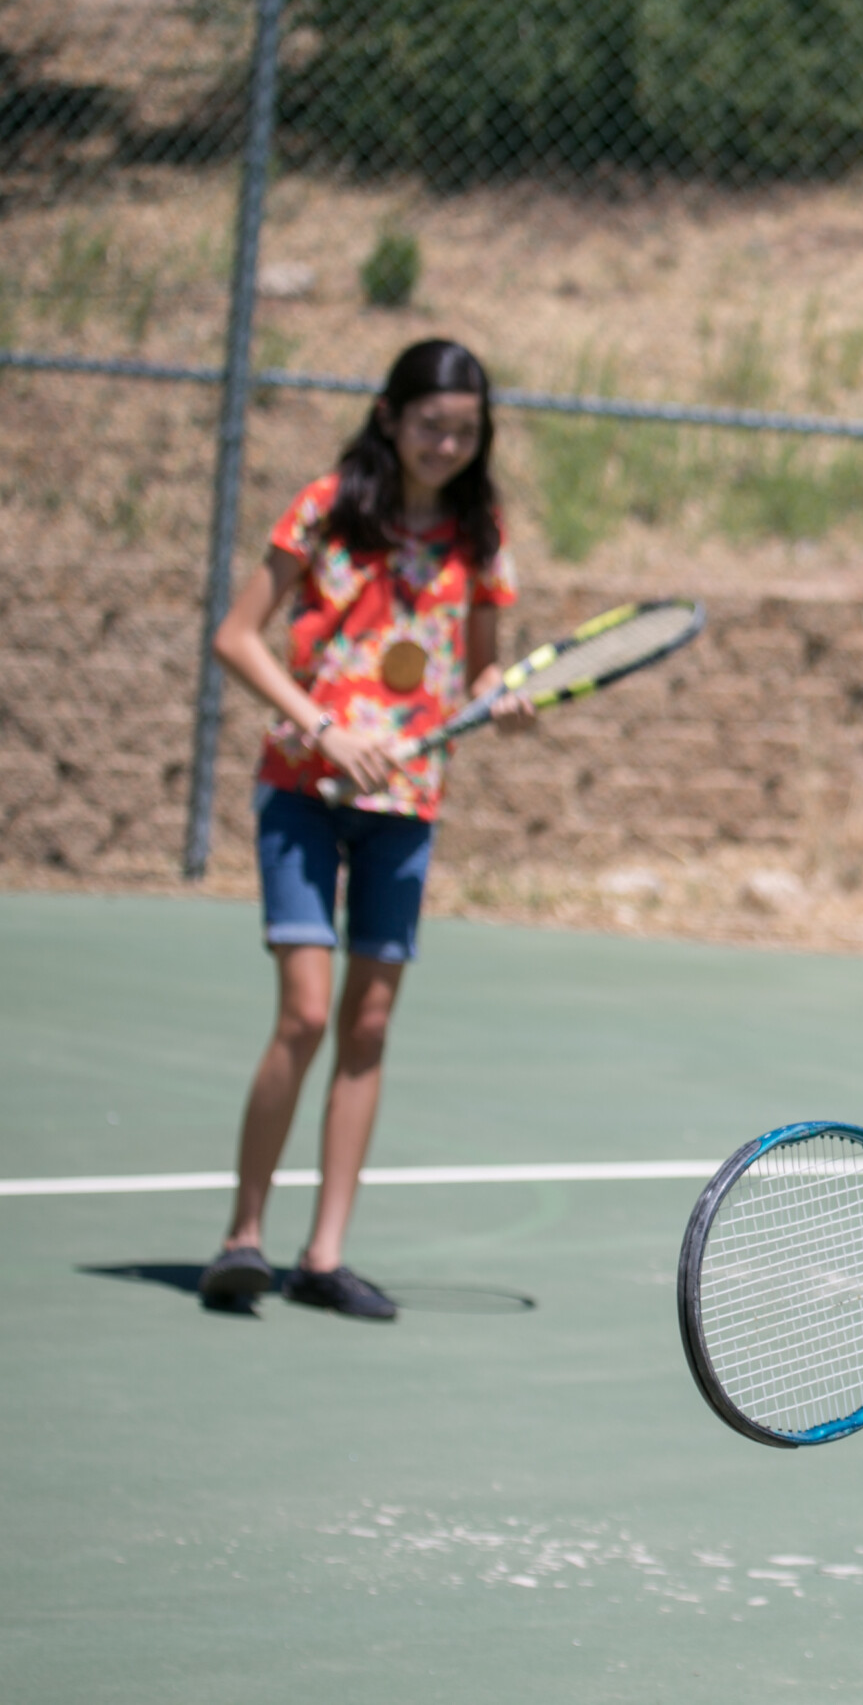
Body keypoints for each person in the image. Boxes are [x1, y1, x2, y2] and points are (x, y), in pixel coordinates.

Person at [197, 339, 532, 1321]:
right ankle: (241, 1237)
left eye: (465, 432)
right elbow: (235, 636)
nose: (446, 443)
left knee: (369, 1022)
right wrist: (322, 730)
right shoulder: (328, 507)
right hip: (304, 791)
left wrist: (504, 701)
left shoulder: (479, 534)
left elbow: (479, 674)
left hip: (408, 805)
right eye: (431, 423)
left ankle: (324, 1256)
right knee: (303, 1012)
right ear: (389, 416)